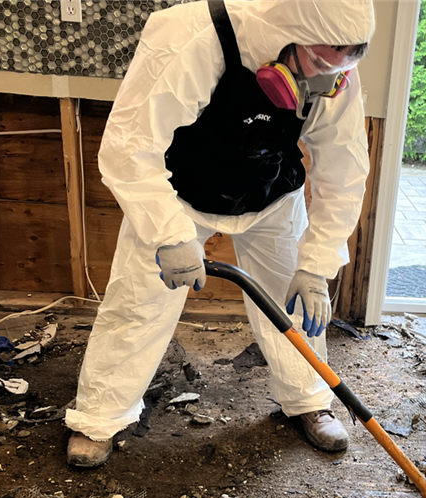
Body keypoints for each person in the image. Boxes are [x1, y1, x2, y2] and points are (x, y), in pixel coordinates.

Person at [65, 0, 375, 467]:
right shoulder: (190, 38)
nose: (326, 81)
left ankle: (308, 398)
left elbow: (344, 173)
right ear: (289, 34)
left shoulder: (333, 76)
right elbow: (130, 148)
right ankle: (98, 418)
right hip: (180, 195)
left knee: (292, 305)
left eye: (342, 67)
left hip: (271, 194)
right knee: (138, 302)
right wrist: (168, 233)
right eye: (319, 63)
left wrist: (317, 264)